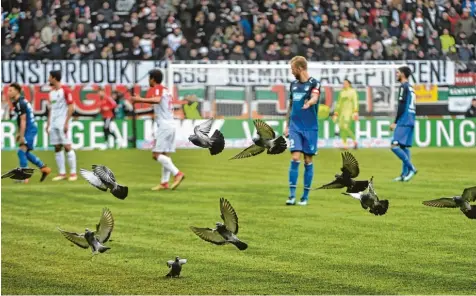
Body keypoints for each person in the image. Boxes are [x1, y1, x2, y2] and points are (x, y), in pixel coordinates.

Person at [131, 69, 185, 190]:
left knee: (156, 155)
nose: (148, 80)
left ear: (153, 79)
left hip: (165, 125)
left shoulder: (158, 88)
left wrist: (140, 99)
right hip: (171, 124)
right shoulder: (166, 90)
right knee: (165, 154)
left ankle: (177, 173)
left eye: (149, 78)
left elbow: (156, 100)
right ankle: (164, 183)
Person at [285, 56, 321, 206]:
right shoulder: (293, 85)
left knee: (308, 160)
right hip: (295, 127)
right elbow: (290, 106)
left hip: (310, 128)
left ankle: (305, 196)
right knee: (295, 157)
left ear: (300, 68)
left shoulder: (314, 83)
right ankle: (292, 195)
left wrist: (309, 103)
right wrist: (286, 125)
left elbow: (315, 97)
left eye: (293, 69)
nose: (292, 72)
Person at [8, 83, 51, 183]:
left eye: (11, 90)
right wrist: (19, 133)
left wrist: (22, 135)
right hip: (29, 128)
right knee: (25, 153)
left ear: (17, 91)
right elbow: (21, 119)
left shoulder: (20, 103)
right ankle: (44, 168)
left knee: (21, 152)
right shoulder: (20, 102)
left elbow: (23, 120)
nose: (8, 92)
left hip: (29, 129)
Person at [46, 70, 77, 181]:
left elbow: (71, 107)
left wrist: (67, 122)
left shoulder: (65, 90)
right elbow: (51, 109)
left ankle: (73, 173)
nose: (48, 79)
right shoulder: (51, 93)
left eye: (50, 77)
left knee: (67, 146)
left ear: (54, 78)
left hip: (62, 122)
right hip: (54, 123)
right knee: (57, 147)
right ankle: (62, 173)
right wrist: (48, 124)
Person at [390, 66, 418, 182]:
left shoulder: (403, 87)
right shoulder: (411, 88)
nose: (396, 74)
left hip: (404, 119)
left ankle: (411, 168)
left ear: (403, 74)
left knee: (394, 145)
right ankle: (404, 175)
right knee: (404, 147)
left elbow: (401, 106)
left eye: (398, 73)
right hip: (411, 118)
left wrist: (395, 122)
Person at [333, 79, 359, 150]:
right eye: (343, 83)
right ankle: (345, 144)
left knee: (345, 127)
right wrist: (336, 113)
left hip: (349, 112)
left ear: (349, 84)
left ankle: (355, 141)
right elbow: (338, 103)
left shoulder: (353, 91)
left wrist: (355, 112)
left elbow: (355, 102)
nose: (344, 84)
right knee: (341, 128)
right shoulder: (341, 92)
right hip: (341, 113)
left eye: (345, 83)